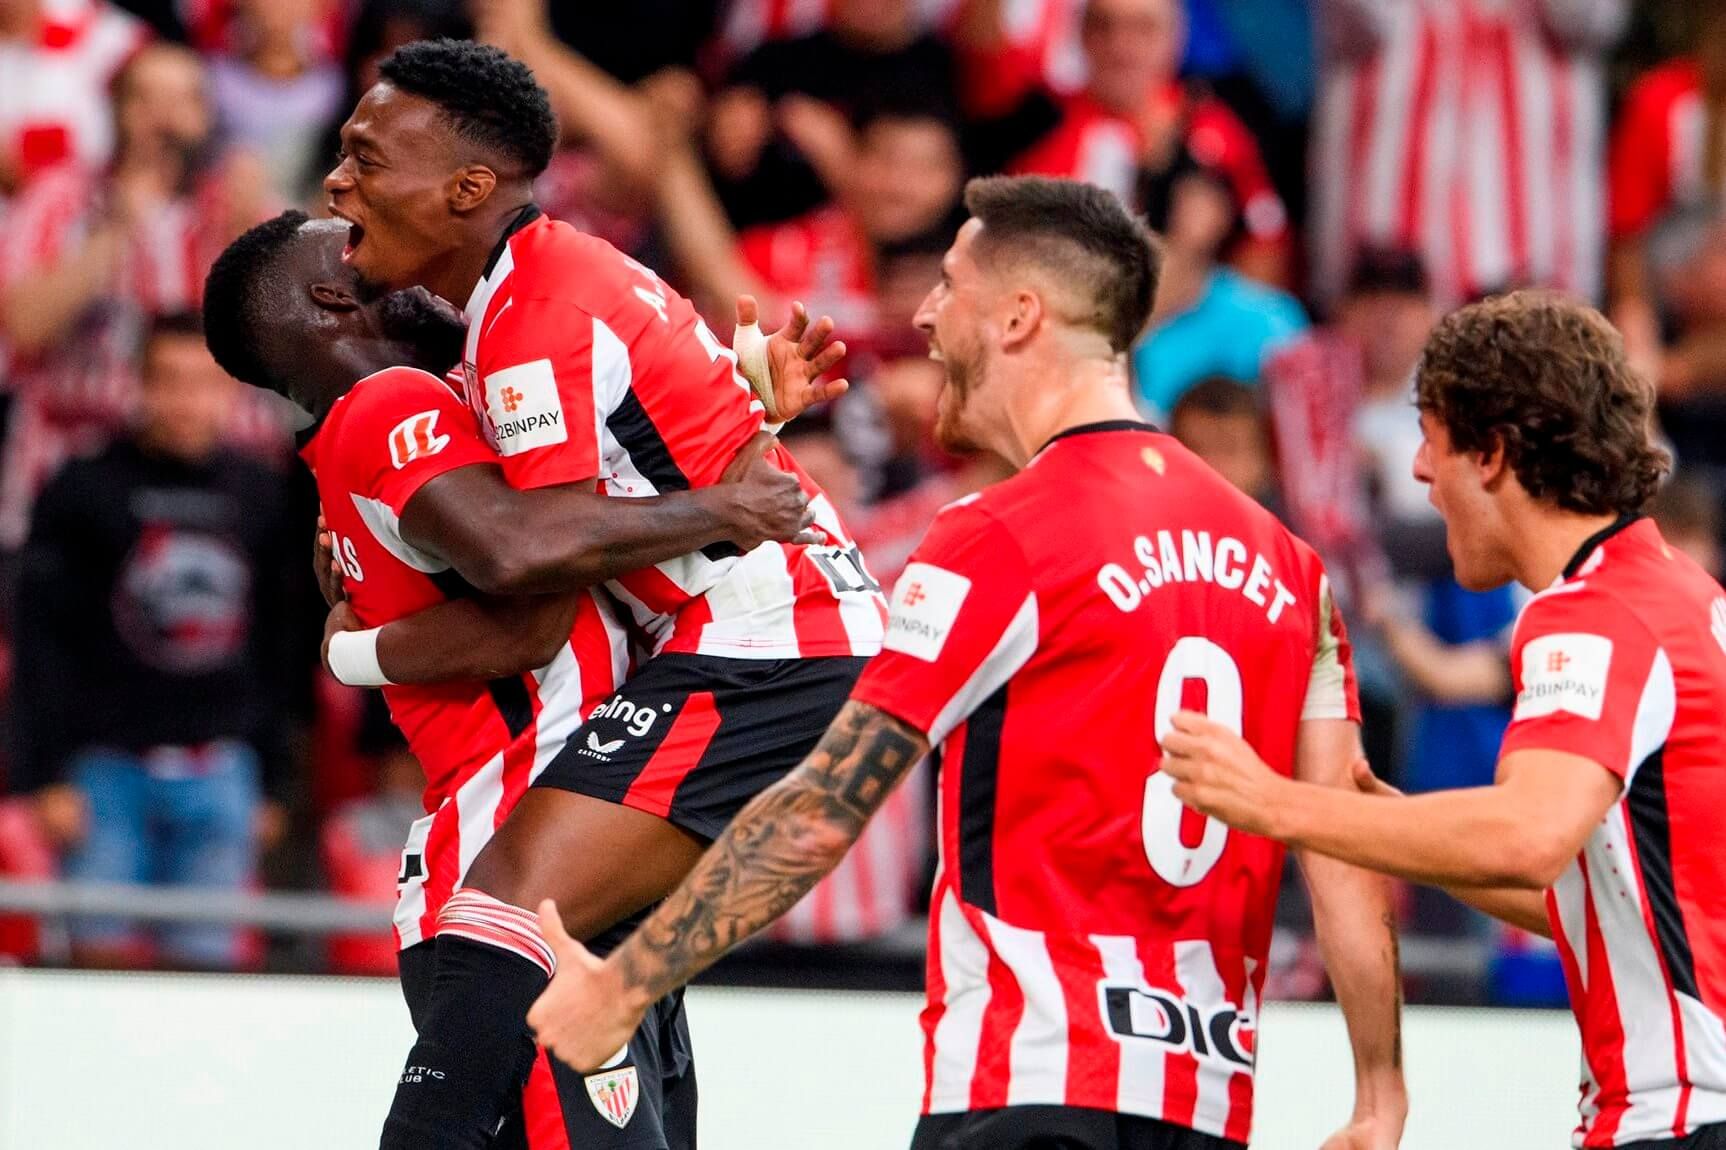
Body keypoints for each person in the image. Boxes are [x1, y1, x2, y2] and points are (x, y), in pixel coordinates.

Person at [525, 175, 1407, 1150]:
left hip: (1028, 1084)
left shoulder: (1000, 534)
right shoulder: (1289, 566)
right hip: (1204, 1106)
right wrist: (1377, 1093)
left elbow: (820, 811)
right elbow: (1342, 845)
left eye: (950, 283)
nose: (925, 314)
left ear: (1021, 314)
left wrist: (623, 986)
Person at [318, 38, 884, 1148]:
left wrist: (353, 650)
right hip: (768, 635)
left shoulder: (532, 311)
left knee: (505, 908)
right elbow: (658, 458)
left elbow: (530, 557)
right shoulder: (543, 283)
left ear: (467, 188)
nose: (339, 182)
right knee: (590, 964)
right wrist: (738, 451)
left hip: (770, 641)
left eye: (366, 156)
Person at [201, 209, 838, 1147]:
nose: (396, 249)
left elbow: (575, 518)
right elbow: (527, 585)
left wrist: (731, 414)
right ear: (335, 293)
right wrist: (725, 502)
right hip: (516, 854)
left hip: (582, 855)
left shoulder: (425, 410)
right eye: (356, 240)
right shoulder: (391, 409)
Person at [1159, 292, 1726, 1148]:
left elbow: (1528, 834)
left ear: (1492, 452)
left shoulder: (1597, 613)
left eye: (1432, 436)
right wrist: (1380, 827)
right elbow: (1620, 912)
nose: (1420, 470)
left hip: (1684, 1116)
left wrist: (1268, 800)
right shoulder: (1674, 593)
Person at [10, 312, 301, 969]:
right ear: (137, 385)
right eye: (167, 381)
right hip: (104, 771)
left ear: (231, 392)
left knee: (206, 977)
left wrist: (276, 784)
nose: (185, 401)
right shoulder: (81, 488)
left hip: (222, 770)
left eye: (203, 383)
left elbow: (282, 654)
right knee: (97, 971)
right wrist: (45, 774)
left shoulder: (263, 494)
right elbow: (41, 644)